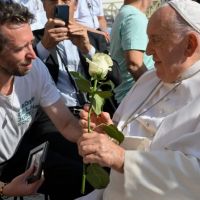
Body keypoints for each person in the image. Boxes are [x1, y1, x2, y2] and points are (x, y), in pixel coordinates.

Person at [77, 0, 200, 199]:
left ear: (190, 45)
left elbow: (195, 178)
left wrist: (122, 158)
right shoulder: (150, 78)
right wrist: (111, 135)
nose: (148, 50)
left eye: (156, 40)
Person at [0, 0, 83, 198]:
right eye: (20, 48)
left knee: (81, 176)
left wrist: (95, 137)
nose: (33, 55)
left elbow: (65, 123)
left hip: (20, 151)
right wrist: (4, 189)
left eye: (31, 43)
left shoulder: (34, 69)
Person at [110, 0, 154, 104]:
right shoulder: (134, 17)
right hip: (138, 98)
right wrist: (154, 92)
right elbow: (134, 64)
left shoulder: (126, 13)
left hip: (132, 96)